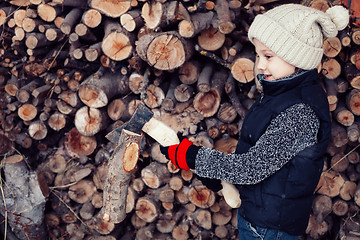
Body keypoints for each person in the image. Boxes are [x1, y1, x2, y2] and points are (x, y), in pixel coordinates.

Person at [160, 3, 349, 240]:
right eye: (258, 54)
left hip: (270, 229)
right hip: (258, 217)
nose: (259, 65)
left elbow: (252, 168)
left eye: (268, 56)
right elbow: (260, 158)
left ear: (297, 57)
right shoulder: (280, 94)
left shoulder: (300, 112)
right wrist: (215, 174)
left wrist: (194, 157)